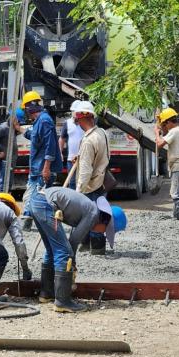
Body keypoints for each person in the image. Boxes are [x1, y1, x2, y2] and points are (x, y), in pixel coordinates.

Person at [28, 187, 127, 313]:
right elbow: (73, 242)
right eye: (106, 231)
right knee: (64, 252)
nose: (103, 233)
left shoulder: (90, 210)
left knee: (53, 249)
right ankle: (62, 302)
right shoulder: (93, 214)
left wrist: (71, 263)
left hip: (38, 201)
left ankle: (46, 293)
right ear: (106, 222)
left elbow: (73, 239)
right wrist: (71, 266)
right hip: (45, 204)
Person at [20, 90, 63, 230]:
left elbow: (50, 146)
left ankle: (29, 220)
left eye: (25, 108)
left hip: (42, 168)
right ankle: (35, 220)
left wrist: (46, 168)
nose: (26, 112)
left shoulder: (44, 121)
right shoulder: (40, 121)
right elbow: (34, 136)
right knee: (35, 194)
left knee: (36, 194)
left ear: (29, 107)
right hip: (37, 168)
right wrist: (19, 129)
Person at [74, 101, 110, 255]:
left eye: (77, 120)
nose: (77, 123)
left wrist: (78, 191)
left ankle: (94, 248)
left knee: (89, 217)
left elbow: (85, 171)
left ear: (82, 118)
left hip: (90, 185)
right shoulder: (101, 133)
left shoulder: (88, 141)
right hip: (100, 181)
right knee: (98, 216)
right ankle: (95, 247)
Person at [155, 108, 179, 220]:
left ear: (168, 122)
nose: (164, 127)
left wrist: (157, 133)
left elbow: (159, 144)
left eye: (164, 124)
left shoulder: (175, 132)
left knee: (176, 192)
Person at [0, 107, 25, 192]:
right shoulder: (4, 127)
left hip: (11, 159)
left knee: (9, 182)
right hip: (5, 160)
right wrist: (1, 150)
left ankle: (7, 197)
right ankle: (2, 199)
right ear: (13, 118)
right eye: (18, 120)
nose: (19, 122)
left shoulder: (12, 128)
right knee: (4, 182)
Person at [59, 100, 84, 190]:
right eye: (73, 111)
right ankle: (73, 202)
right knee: (72, 182)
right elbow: (62, 138)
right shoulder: (67, 123)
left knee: (83, 182)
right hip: (71, 159)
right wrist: (60, 152)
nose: (75, 113)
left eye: (76, 111)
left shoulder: (85, 123)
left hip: (84, 158)